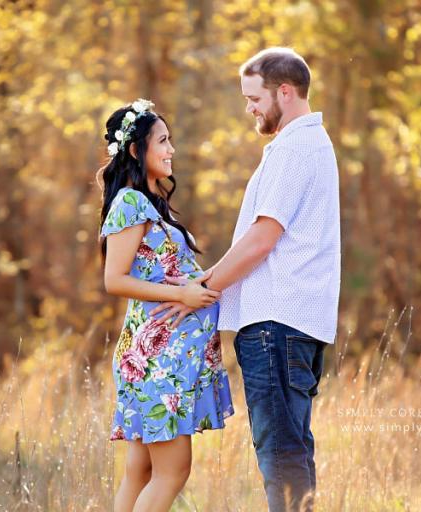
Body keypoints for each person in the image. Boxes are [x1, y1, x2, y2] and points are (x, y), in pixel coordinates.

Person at [152, 48, 341, 512]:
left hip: (277, 327)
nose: (249, 109)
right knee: (292, 449)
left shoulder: (295, 148)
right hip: (291, 326)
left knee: (280, 453)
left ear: (284, 91)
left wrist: (201, 289)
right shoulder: (306, 144)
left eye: (254, 98)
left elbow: (262, 239)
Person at [98, 99, 235, 512]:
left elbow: (165, 271)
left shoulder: (150, 204)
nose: (171, 149)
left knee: (140, 472)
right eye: (163, 140)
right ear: (137, 150)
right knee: (172, 472)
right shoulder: (129, 203)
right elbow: (114, 280)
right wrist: (182, 295)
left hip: (165, 354)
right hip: (158, 357)